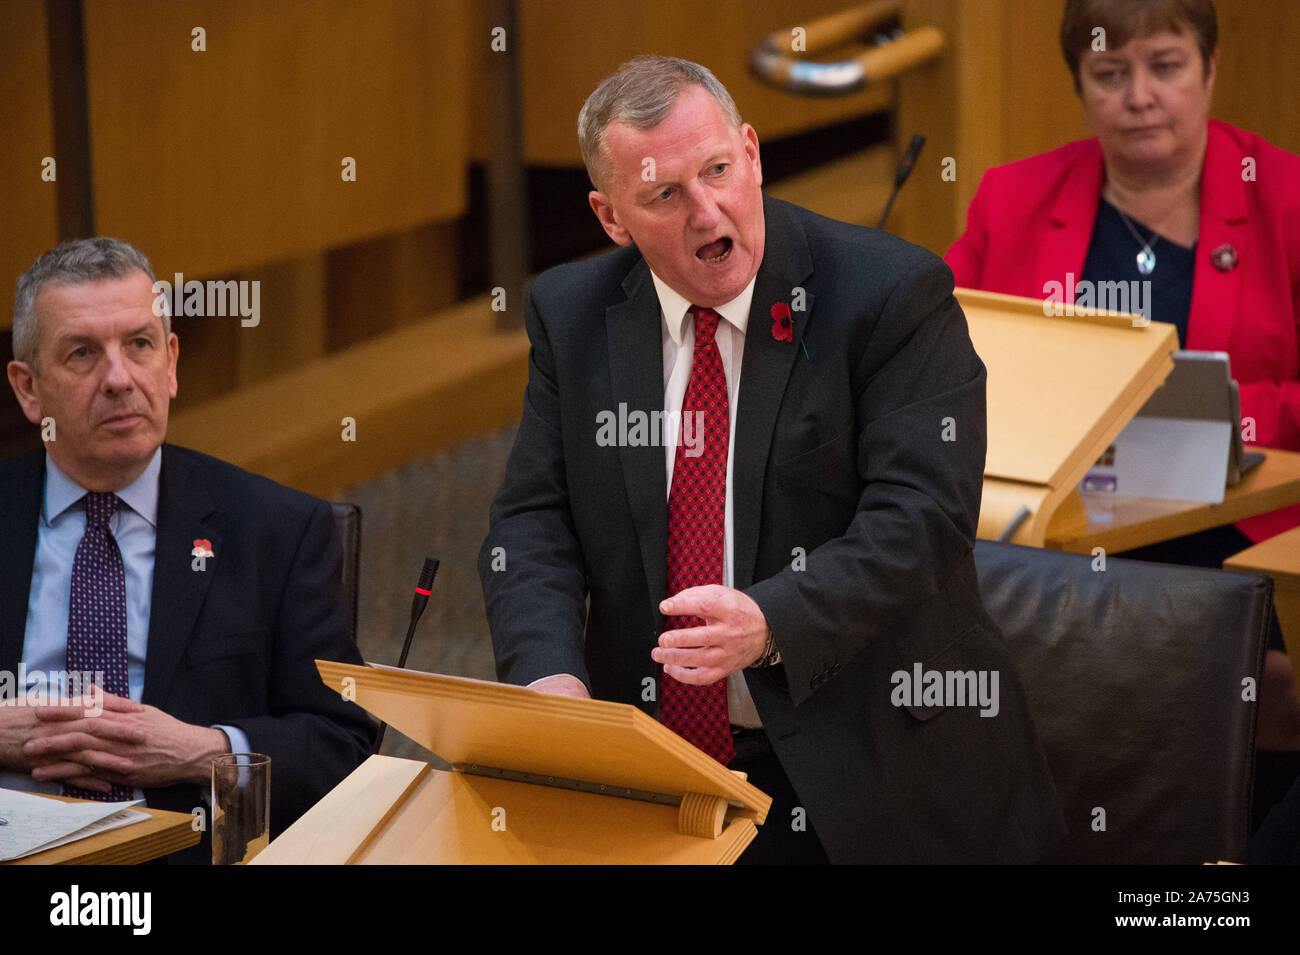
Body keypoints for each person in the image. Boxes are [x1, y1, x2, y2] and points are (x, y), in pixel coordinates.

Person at [478, 56, 1063, 863]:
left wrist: (771, 621)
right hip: (660, 768)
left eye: (718, 170)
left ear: (751, 152)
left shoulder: (888, 295)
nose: (707, 210)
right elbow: (533, 519)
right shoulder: (571, 314)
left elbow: (922, 517)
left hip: (866, 754)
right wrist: (551, 680)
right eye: (664, 195)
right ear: (611, 217)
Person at [944, 0, 1300, 838]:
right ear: (1082, 88)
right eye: (1111, 74)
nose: (1140, 95)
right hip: (1058, 531)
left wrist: (1222, 414)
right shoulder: (1014, 197)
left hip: (1239, 521)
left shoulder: (1284, 196)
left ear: (1210, 71)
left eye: (1166, 66)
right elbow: (945, 356)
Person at [0, 237, 373, 863]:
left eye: (139, 345)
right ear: (29, 388)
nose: (119, 379)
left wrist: (202, 751)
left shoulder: (275, 529)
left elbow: (343, 748)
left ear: (170, 363)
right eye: (82, 354)